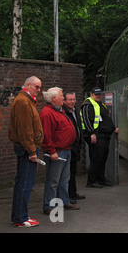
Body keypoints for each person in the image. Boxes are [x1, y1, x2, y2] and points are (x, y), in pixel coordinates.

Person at [9, 76, 44, 227]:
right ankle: (21, 218)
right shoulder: (23, 101)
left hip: (26, 148)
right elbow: (25, 130)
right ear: (28, 85)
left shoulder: (26, 100)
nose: (39, 90)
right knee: (25, 183)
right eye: (36, 86)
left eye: (40, 87)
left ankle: (18, 216)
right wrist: (32, 152)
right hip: (26, 150)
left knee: (22, 183)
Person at [40, 87, 79, 214]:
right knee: (53, 180)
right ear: (54, 99)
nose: (63, 98)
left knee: (64, 179)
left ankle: (64, 201)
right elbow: (46, 135)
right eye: (61, 96)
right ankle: (49, 206)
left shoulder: (58, 110)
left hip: (65, 150)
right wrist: (52, 151)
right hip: (57, 151)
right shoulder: (47, 113)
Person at [80, 87, 119, 188]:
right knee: (97, 158)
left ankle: (101, 179)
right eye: (96, 94)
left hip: (104, 136)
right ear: (91, 94)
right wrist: (91, 133)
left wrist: (113, 128)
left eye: (100, 94)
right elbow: (86, 120)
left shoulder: (100, 104)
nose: (98, 96)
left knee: (102, 158)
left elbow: (106, 119)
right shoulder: (87, 105)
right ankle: (91, 181)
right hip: (96, 136)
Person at [63, 92, 86, 201]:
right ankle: (66, 195)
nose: (72, 102)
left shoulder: (75, 111)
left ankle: (73, 193)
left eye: (74, 99)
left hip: (76, 146)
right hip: (69, 146)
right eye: (70, 100)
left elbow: (78, 127)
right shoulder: (63, 112)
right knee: (67, 173)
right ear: (64, 101)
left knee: (73, 171)